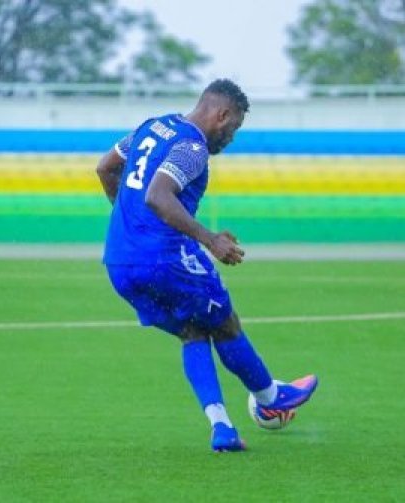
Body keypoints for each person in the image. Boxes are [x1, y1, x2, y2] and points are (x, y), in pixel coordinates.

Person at [96, 79, 318, 452]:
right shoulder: (192, 147)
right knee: (225, 322)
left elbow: (105, 168)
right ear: (222, 115)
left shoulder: (153, 126)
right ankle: (270, 397)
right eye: (234, 128)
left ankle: (222, 427)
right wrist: (209, 239)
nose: (231, 138)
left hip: (119, 261)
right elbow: (158, 195)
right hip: (165, 259)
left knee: (192, 331)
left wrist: (133, 226)